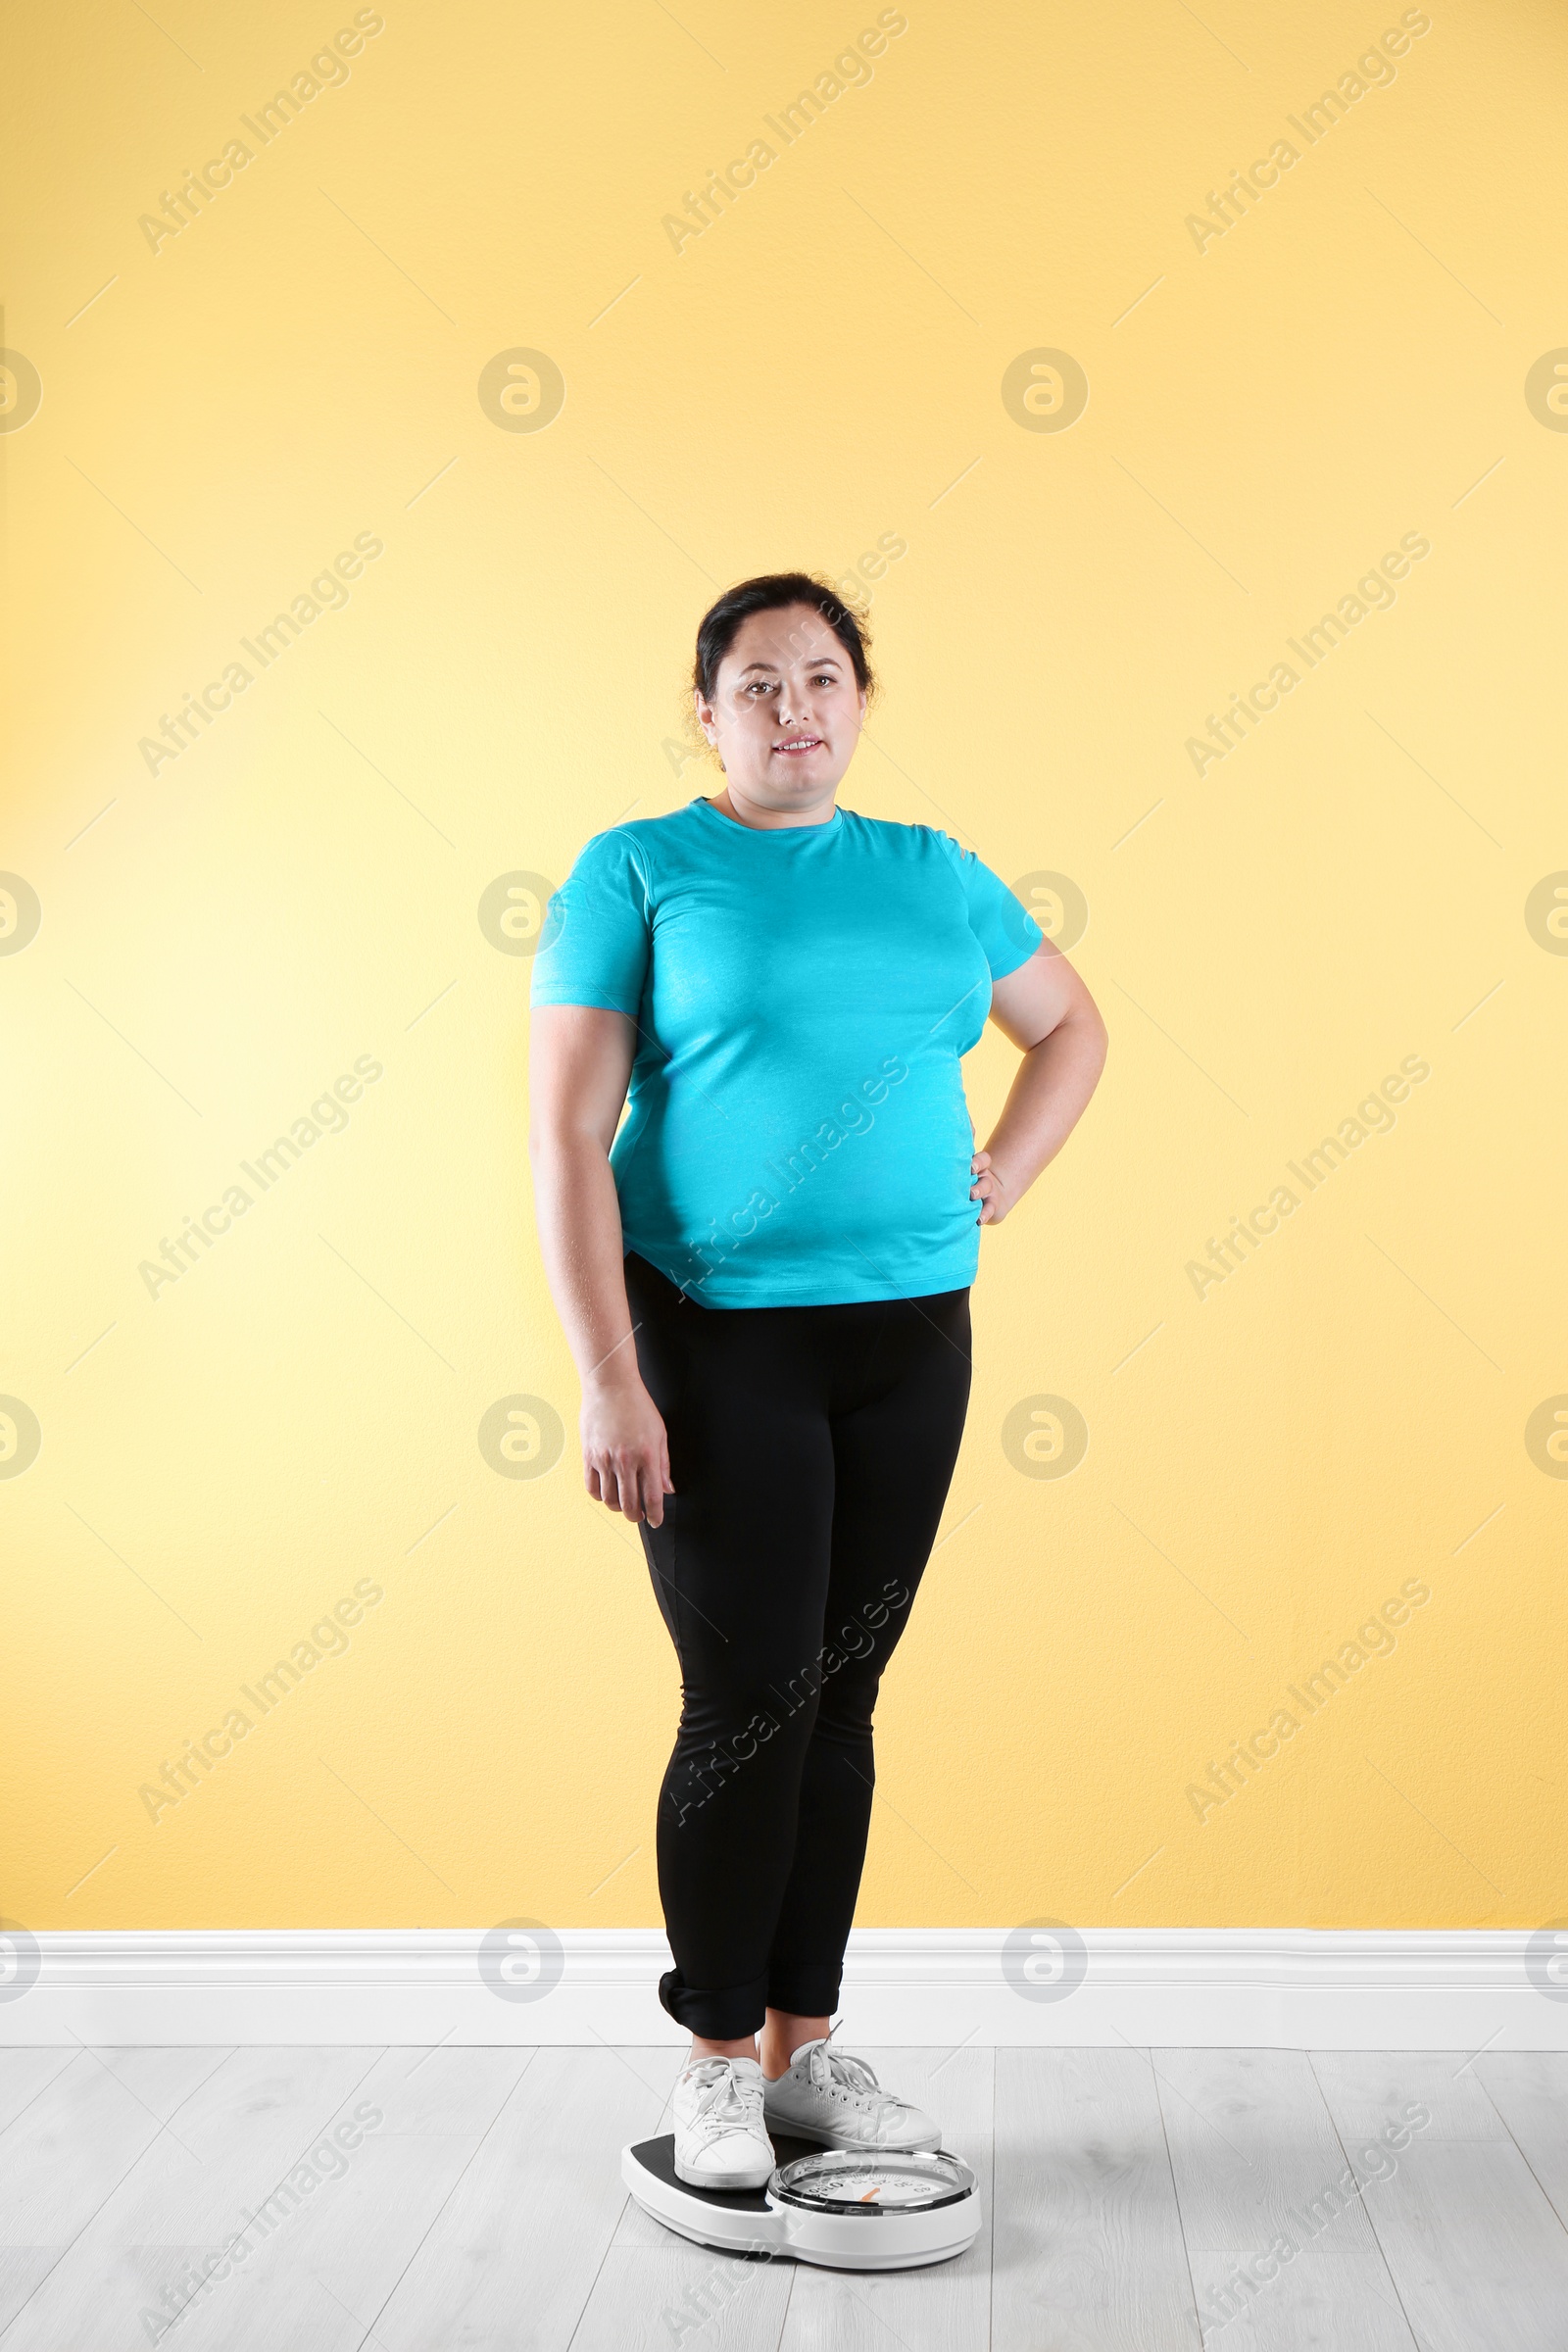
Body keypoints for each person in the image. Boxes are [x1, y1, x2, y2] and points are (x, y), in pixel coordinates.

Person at [528, 572, 1106, 2188]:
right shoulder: (639, 870)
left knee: (840, 1700)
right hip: (711, 1338)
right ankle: (715, 2060)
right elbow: (567, 1134)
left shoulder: (938, 875)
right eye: (762, 685)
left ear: (863, 702)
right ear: (707, 713)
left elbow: (1070, 1031)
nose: (799, 710)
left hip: (912, 1338)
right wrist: (607, 1373)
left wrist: (1005, 1169)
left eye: (826, 680)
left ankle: (806, 2054)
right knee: (747, 1700)